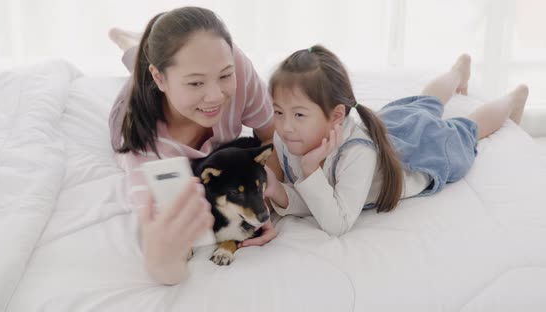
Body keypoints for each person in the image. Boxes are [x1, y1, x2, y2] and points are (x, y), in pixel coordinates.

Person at [264, 45, 529, 236]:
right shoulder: (288, 137)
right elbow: (313, 199)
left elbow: (337, 221)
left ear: (336, 116)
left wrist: (310, 169)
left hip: (417, 154)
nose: (285, 126)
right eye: (278, 112)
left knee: (469, 127)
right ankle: (458, 72)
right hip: (391, 128)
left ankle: (512, 98)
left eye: (298, 114)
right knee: (425, 103)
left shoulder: (357, 154)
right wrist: (279, 191)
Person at [108, 6, 278, 285]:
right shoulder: (144, 150)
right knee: (138, 65)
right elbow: (165, 264)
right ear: (159, 78)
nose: (215, 96)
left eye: (225, 76)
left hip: (168, 77)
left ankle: (141, 49)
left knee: (189, 72)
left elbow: (271, 137)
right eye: (196, 82)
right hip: (131, 112)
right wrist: (161, 258)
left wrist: (263, 203)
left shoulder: (234, 64)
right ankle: (127, 43)